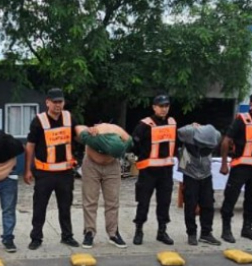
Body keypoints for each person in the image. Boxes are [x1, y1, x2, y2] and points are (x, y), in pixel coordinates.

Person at [24, 88, 87, 250]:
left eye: (61, 101)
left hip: (65, 174)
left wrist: (89, 133)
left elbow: (78, 137)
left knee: (65, 207)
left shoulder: (69, 118)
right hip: (44, 174)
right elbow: (30, 146)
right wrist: (28, 169)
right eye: (55, 102)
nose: (58, 105)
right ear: (47, 103)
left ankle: (67, 236)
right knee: (39, 207)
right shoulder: (38, 121)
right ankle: (36, 238)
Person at [219, 91, 252, 243]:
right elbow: (226, 141)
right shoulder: (241, 120)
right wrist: (224, 164)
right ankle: (226, 229)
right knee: (231, 198)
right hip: (240, 166)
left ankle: (247, 228)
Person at [130, 94, 178, 245]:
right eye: (161, 106)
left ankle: (162, 231)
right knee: (143, 202)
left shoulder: (172, 122)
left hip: (166, 171)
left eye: (166, 106)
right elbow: (134, 144)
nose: (164, 109)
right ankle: (139, 230)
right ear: (154, 107)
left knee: (164, 202)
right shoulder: (145, 124)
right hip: (148, 171)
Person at [77, 122, 134, 248]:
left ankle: (113, 233)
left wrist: (121, 149)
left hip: (112, 166)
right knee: (90, 200)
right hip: (91, 165)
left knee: (112, 201)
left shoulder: (117, 130)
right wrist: (88, 131)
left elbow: (129, 140)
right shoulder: (94, 131)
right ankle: (89, 232)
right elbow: (78, 129)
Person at [176, 123, 223, 246]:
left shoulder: (216, 135)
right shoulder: (188, 132)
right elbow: (177, 132)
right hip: (190, 172)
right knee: (190, 204)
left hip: (206, 173)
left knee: (208, 204)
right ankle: (191, 234)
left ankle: (206, 233)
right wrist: (192, 125)